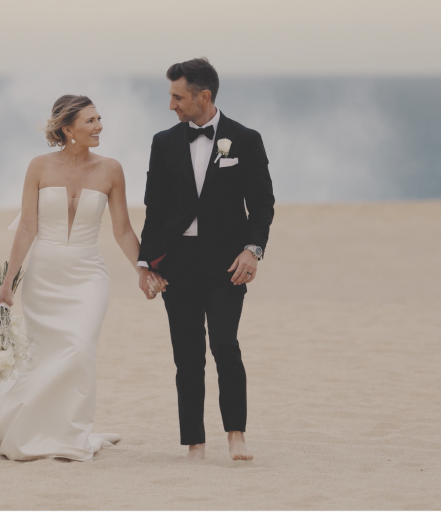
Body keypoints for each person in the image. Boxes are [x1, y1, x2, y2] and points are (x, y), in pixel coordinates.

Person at [0, 95, 164, 461]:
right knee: (44, 359)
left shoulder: (111, 169)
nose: (99, 126)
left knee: (79, 352)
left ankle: (70, 433)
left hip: (89, 276)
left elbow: (123, 231)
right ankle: (31, 428)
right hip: (44, 276)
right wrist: (7, 284)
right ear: (68, 129)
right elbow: (26, 229)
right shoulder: (39, 167)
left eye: (99, 118)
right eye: (90, 121)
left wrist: (143, 270)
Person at [138, 58, 275, 461]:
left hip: (226, 265)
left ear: (204, 96)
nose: (171, 105)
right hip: (176, 263)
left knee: (225, 345)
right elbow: (154, 209)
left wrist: (253, 251)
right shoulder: (163, 142)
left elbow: (262, 205)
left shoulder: (245, 139)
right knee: (187, 355)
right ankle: (194, 443)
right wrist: (147, 264)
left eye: (177, 97)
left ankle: (236, 435)